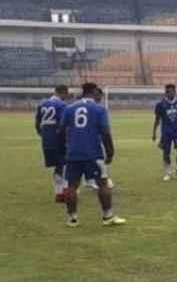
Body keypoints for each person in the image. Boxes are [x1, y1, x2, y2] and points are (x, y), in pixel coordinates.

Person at [58, 83, 126, 227]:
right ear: (94, 91)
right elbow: (105, 132)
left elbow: (61, 130)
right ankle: (108, 216)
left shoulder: (70, 108)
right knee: (103, 184)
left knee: (72, 186)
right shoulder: (99, 109)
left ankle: (72, 219)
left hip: (73, 153)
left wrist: (64, 149)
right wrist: (110, 151)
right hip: (93, 153)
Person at [35, 85, 69, 202]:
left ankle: (58, 192)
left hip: (46, 141)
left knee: (57, 165)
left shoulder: (42, 104)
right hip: (59, 140)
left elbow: (37, 122)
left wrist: (42, 134)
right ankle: (63, 192)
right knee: (65, 165)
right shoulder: (62, 105)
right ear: (64, 92)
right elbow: (64, 124)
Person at [152, 84, 177, 181]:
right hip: (166, 132)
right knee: (166, 153)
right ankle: (167, 173)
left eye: (171, 92)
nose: (169, 94)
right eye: (167, 92)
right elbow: (157, 119)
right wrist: (154, 132)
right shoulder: (160, 104)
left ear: (174, 92)